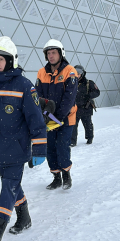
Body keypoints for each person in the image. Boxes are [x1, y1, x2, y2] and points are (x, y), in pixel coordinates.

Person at [0, 36, 47, 241]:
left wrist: (40, 149)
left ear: (11, 60)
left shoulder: (25, 87)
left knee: (8, 187)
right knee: (12, 185)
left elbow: (37, 120)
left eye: (1, 59)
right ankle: (24, 217)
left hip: (17, 147)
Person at [35, 39, 78, 191]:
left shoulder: (70, 71)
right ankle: (56, 177)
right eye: (48, 53)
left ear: (61, 54)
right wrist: (45, 114)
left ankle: (66, 175)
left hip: (65, 118)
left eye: (54, 53)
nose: (51, 56)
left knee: (62, 147)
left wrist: (58, 116)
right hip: (48, 119)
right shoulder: (42, 72)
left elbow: (69, 98)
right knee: (50, 148)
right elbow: (37, 96)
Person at [70, 65, 100, 146]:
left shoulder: (89, 83)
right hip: (75, 109)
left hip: (86, 108)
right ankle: (72, 141)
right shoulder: (70, 83)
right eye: (75, 73)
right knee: (73, 126)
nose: (77, 75)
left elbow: (97, 92)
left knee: (88, 124)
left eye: (79, 73)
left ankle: (89, 138)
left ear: (82, 74)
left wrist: (89, 95)